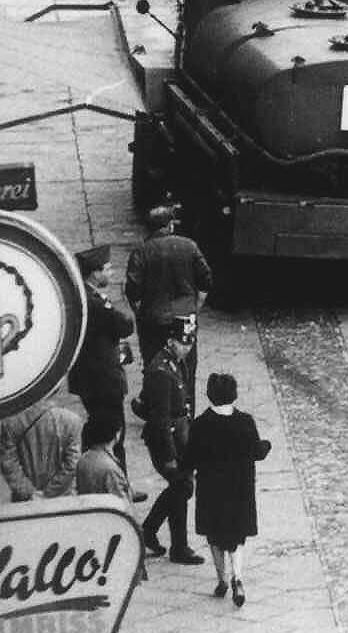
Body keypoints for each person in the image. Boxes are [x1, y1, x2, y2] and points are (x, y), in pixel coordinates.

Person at [185, 372, 271, 608]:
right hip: (239, 489)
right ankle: (238, 577)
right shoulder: (245, 421)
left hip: (211, 490)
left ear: (210, 395)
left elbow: (190, 458)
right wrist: (267, 445)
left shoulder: (201, 424)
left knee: (215, 535)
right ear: (234, 394)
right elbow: (258, 452)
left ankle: (221, 579)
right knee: (237, 536)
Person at [71, 416, 147, 633]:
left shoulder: (85, 460)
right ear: (114, 435)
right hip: (114, 542)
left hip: (94, 537)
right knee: (116, 599)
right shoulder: (108, 467)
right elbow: (122, 506)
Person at [137, 323, 205, 565]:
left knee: (181, 486)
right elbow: (160, 418)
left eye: (189, 343)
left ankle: (175, 544)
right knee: (183, 485)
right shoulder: (161, 372)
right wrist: (169, 456)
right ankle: (154, 533)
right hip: (166, 440)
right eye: (182, 343)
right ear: (170, 341)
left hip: (179, 435)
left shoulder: (173, 363)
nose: (186, 348)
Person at [70, 244, 137, 476]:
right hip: (103, 380)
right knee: (113, 432)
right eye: (107, 269)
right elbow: (125, 325)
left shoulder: (82, 295)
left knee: (97, 428)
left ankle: (95, 475)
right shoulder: (97, 303)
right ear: (95, 272)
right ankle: (116, 481)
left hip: (88, 377)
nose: (111, 273)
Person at [126, 204, 210, 384]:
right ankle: (186, 407)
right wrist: (195, 308)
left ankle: (157, 405)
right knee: (187, 369)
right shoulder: (189, 246)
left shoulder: (140, 252)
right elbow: (206, 280)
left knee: (154, 368)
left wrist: (140, 313)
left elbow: (133, 291)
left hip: (153, 319)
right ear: (170, 225)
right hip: (185, 316)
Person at [0, 393, 82, 501]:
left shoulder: (10, 423)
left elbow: (8, 465)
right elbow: (72, 465)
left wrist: (30, 493)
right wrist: (49, 493)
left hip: (25, 502)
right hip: (62, 500)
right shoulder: (72, 420)